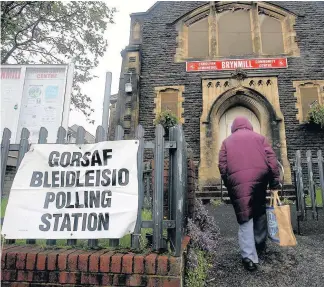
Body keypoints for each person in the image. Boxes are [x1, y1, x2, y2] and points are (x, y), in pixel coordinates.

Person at [218, 116, 281, 272]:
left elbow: (222, 166)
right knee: (259, 211)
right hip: (260, 178)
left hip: (237, 181)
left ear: (234, 127)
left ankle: (249, 257)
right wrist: (274, 182)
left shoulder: (226, 142)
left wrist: (229, 183)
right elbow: (272, 161)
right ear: (249, 125)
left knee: (245, 216)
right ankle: (260, 245)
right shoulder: (260, 138)